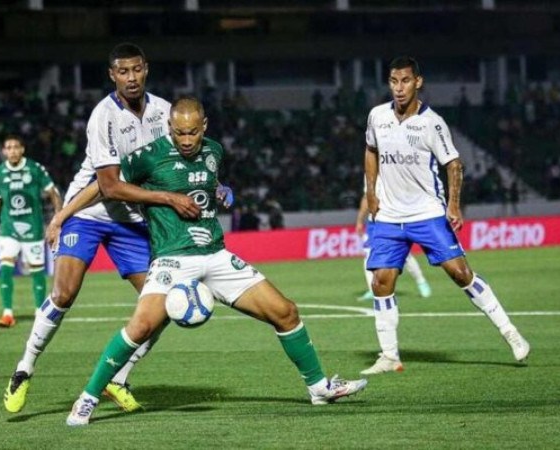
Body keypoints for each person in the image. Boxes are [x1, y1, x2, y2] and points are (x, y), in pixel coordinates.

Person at [65, 97, 368, 426]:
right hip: (172, 259)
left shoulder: (214, 151)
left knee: (286, 312)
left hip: (217, 255)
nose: (185, 140)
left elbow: (205, 182)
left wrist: (221, 189)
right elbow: (107, 186)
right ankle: (88, 398)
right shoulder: (148, 157)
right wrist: (65, 215)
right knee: (140, 327)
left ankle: (319, 387)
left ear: (204, 127)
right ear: (169, 127)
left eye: (192, 133)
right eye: (178, 133)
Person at [3, 43, 202, 414]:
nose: (131, 78)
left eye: (136, 70)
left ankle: (118, 378)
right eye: (122, 72)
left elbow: (178, 165)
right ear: (112, 75)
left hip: (132, 221)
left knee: (162, 307)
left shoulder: (164, 112)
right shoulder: (102, 117)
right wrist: (61, 216)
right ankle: (24, 369)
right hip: (90, 213)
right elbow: (107, 186)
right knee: (64, 293)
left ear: (146, 70)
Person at [361, 56, 530, 375]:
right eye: (394, 81)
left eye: (405, 81)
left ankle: (511, 333)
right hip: (388, 214)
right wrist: (371, 192)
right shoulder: (377, 116)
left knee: (460, 273)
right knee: (381, 281)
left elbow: (454, 164)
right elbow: (371, 151)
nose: (399, 88)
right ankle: (389, 355)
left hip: (426, 212)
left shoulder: (432, 123)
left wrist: (453, 205)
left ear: (418, 82)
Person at [0, 135, 62, 328]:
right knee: (6, 265)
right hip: (9, 228)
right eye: (8, 148)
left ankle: (40, 312)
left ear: (22, 149)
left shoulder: (34, 169)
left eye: (16, 147)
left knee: (36, 269)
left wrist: (58, 218)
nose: (12, 151)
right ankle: (7, 313)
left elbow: (53, 193)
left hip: (32, 227)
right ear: (3, 151)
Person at [355, 191, 431, 302]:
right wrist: (360, 220)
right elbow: (367, 196)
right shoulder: (369, 175)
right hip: (374, 220)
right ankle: (372, 289)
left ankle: (421, 282)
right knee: (369, 252)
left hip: (393, 217)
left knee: (404, 254)